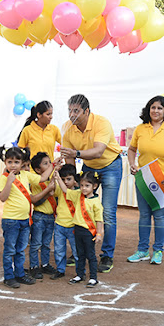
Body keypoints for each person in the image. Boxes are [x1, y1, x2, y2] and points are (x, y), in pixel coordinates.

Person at [60, 94, 122, 273]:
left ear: (86, 111)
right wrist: (71, 181)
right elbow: (69, 160)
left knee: (107, 212)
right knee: (82, 208)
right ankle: (80, 251)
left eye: (76, 111)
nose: (72, 115)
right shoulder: (67, 127)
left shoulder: (101, 123)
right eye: (70, 110)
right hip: (88, 167)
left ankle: (106, 255)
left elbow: (98, 151)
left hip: (110, 165)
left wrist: (75, 153)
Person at [126, 96, 164, 265]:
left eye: (159, 108)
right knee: (144, 215)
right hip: (143, 180)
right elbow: (131, 149)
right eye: (153, 107)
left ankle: (158, 251)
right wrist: (132, 164)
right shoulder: (140, 129)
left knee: (159, 217)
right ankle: (142, 250)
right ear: (148, 109)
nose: (156, 111)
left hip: (163, 182)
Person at [0, 146, 55, 289]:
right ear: (5, 162)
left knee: (21, 249)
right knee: (10, 249)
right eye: (10, 162)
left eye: (16, 162)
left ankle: (20, 274)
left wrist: (54, 164)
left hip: (24, 219)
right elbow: (2, 198)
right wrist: (9, 182)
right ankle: (9, 277)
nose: (13, 165)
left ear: (22, 163)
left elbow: (42, 178)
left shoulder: (25, 175)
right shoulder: (3, 178)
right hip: (11, 220)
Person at [61, 171, 104, 288]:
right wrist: (57, 178)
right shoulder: (78, 195)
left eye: (87, 186)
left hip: (89, 232)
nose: (83, 188)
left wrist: (99, 234)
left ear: (94, 186)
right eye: (81, 185)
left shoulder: (96, 202)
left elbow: (99, 220)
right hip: (78, 230)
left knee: (90, 255)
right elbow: (65, 190)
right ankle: (80, 274)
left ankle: (93, 277)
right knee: (80, 254)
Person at [28, 152, 59, 279]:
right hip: (39, 216)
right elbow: (37, 201)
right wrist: (47, 192)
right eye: (45, 164)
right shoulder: (36, 183)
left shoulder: (48, 182)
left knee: (46, 243)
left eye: (49, 162)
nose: (49, 166)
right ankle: (34, 266)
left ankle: (45, 264)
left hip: (50, 217)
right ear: (37, 169)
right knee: (36, 244)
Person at [49, 164, 80, 281]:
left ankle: (80, 271)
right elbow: (52, 191)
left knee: (77, 251)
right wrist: (53, 176)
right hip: (59, 225)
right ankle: (60, 270)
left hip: (73, 226)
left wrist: (58, 179)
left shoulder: (78, 192)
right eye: (63, 179)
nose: (65, 182)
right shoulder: (60, 189)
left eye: (69, 179)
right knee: (59, 250)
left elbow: (65, 190)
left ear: (75, 180)